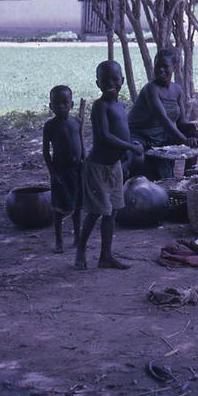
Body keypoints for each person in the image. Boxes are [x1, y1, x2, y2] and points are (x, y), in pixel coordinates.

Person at [76, 60, 143, 270]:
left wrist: (129, 152)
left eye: (115, 79)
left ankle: (106, 256)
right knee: (97, 212)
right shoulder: (100, 106)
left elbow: (124, 132)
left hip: (114, 167)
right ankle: (80, 250)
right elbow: (104, 136)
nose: (111, 84)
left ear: (122, 80)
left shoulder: (121, 105)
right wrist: (130, 148)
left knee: (112, 212)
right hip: (97, 167)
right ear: (98, 83)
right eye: (105, 81)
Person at [128, 47, 198, 180]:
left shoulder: (177, 89)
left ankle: (187, 178)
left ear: (173, 67)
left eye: (165, 66)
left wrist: (192, 129)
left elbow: (181, 121)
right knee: (137, 155)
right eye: (158, 66)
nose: (161, 70)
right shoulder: (151, 89)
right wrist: (184, 140)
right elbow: (164, 120)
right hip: (141, 134)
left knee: (196, 139)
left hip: (163, 135)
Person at [43, 85, 83, 253]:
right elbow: (46, 151)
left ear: (71, 104)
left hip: (77, 169)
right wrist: (52, 173)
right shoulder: (50, 126)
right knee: (59, 207)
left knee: (78, 205)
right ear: (51, 106)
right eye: (56, 103)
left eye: (64, 103)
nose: (61, 107)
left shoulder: (76, 122)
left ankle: (77, 237)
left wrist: (85, 161)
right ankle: (59, 240)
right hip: (60, 170)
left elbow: (81, 143)